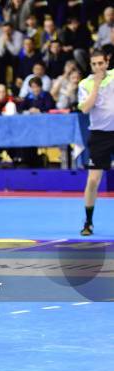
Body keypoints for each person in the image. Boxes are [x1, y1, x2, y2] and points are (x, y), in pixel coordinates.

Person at [78, 50, 114, 235]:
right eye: (94, 64)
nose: (98, 67)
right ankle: (88, 222)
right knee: (93, 181)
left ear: (107, 62)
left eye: (101, 63)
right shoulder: (85, 84)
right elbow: (85, 108)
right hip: (99, 135)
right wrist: (97, 85)